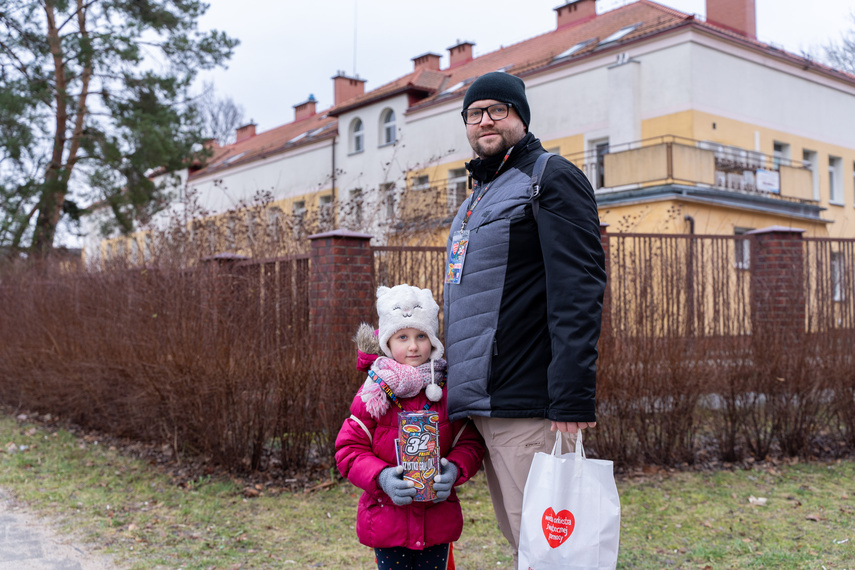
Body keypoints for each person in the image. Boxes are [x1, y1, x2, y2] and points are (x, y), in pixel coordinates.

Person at [443, 71, 607, 564]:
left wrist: (572, 400)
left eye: (498, 110)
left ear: (520, 116)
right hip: (486, 402)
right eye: (475, 113)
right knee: (525, 542)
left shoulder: (549, 177)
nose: (485, 120)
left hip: (529, 401)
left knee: (552, 551)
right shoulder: (475, 200)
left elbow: (578, 292)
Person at [335, 284, 486, 570]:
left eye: (421, 336)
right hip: (387, 520)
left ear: (434, 341)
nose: (413, 346)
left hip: (437, 520)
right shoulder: (373, 394)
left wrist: (454, 469)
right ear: (388, 343)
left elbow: (471, 442)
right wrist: (381, 478)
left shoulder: (447, 390)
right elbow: (348, 449)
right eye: (402, 337)